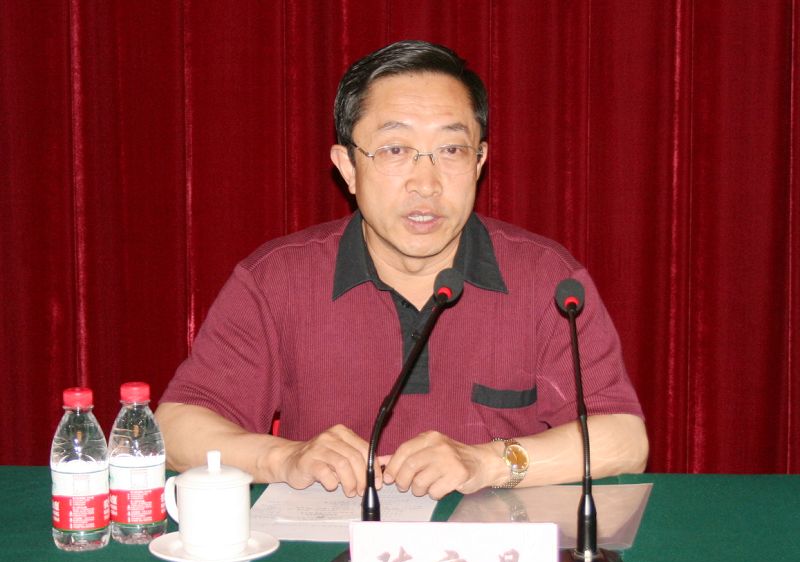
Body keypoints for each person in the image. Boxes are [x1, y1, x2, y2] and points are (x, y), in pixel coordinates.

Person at [155, 40, 648, 500]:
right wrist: (285, 458)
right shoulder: (277, 280)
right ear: (348, 167)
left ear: (479, 162)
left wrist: (487, 463)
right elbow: (176, 428)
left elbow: (624, 439)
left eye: (451, 150)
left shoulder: (547, 280)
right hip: (338, 550)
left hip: (494, 551)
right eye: (395, 150)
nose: (426, 183)